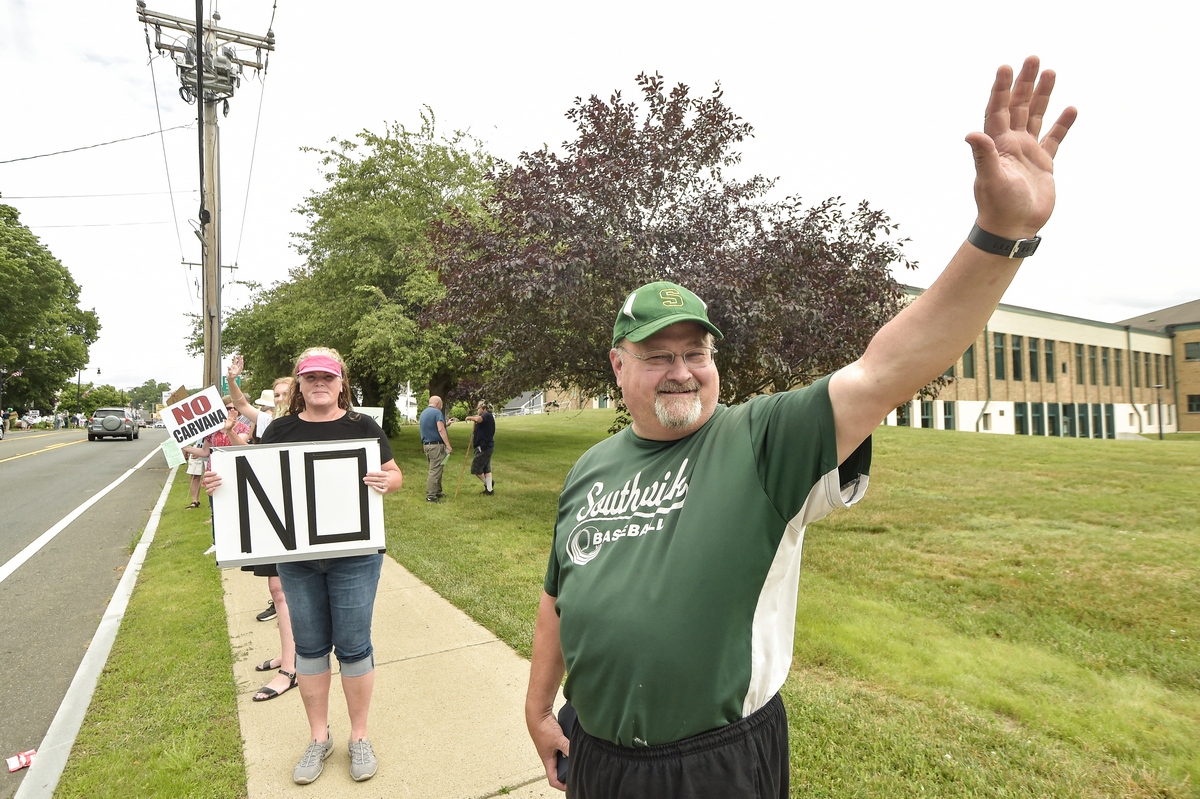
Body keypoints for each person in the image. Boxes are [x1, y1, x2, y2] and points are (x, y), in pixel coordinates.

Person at [525, 56, 1077, 797]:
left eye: (696, 351)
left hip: (714, 764)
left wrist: (1000, 233)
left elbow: (886, 369)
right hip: (598, 752)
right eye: (659, 356)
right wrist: (536, 705)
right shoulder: (591, 469)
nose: (682, 370)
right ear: (618, 367)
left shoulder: (763, 441)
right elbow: (560, 594)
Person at [203, 347, 402, 784]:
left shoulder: (362, 426)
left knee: (353, 647)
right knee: (310, 649)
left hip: (355, 558)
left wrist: (388, 480)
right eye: (310, 377)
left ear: (341, 382)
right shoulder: (279, 429)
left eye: (327, 377)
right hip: (298, 560)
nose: (319, 384)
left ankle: (359, 737)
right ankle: (318, 738)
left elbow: (393, 472)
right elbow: (249, 476)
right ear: (298, 383)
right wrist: (218, 479)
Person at [419, 395, 453, 502]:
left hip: (427, 445)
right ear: (438, 404)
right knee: (435, 470)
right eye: (441, 405)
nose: (441, 407)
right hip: (436, 446)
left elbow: (432, 426)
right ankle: (431, 496)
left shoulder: (424, 413)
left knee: (437, 468)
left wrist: (446, 424)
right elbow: (440, 430)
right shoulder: (437, 413)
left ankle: (438, 491)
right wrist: (448, 445)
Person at [465, 401, 496, 495]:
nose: (477, 410)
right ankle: (489, 490)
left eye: (479, 408)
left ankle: (488, 484)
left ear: (484, 409)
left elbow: (478, 419)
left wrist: (470, 417)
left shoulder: (487, 415)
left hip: (484, 447)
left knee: (476, 468)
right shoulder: (483, 418)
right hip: (485, 446)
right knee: (486, 469)